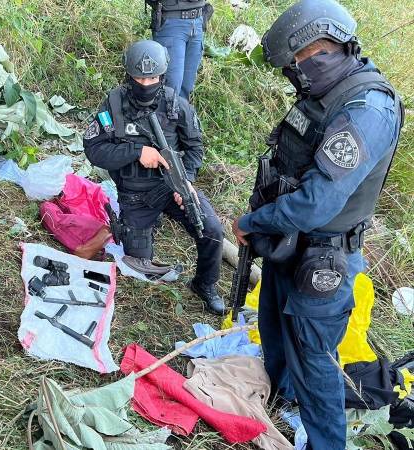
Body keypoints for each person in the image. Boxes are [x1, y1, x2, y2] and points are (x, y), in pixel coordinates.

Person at [231, 1, 405, 448]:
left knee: (315, 363)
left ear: (318, 48)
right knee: (273, 328)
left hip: (321, 258)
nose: (292, 74)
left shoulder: (367, 109)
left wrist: (252, 221)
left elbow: (315, 203)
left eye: (293, 64)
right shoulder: (324, 94)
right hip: (284, 245)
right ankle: (279, 400)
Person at [83, 40, 225, 315]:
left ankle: (205, 284)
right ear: (128, 75)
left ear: (162, 75)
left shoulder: (176, 106)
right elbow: (94, 149)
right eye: (139, 77)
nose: (146, 83)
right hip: (134, 193)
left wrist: (186, 182)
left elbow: (195, 148)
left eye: (152, 77)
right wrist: (137, 151)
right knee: (139, 263)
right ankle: (141, 228)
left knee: (212, 230)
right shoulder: (113, 104)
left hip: (169, 186)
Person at [146, 0, 213, 100]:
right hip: (171, 21)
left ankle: (180, 113)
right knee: (171, 87)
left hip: (198, 20)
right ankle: (165, 115)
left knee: (187, 86)